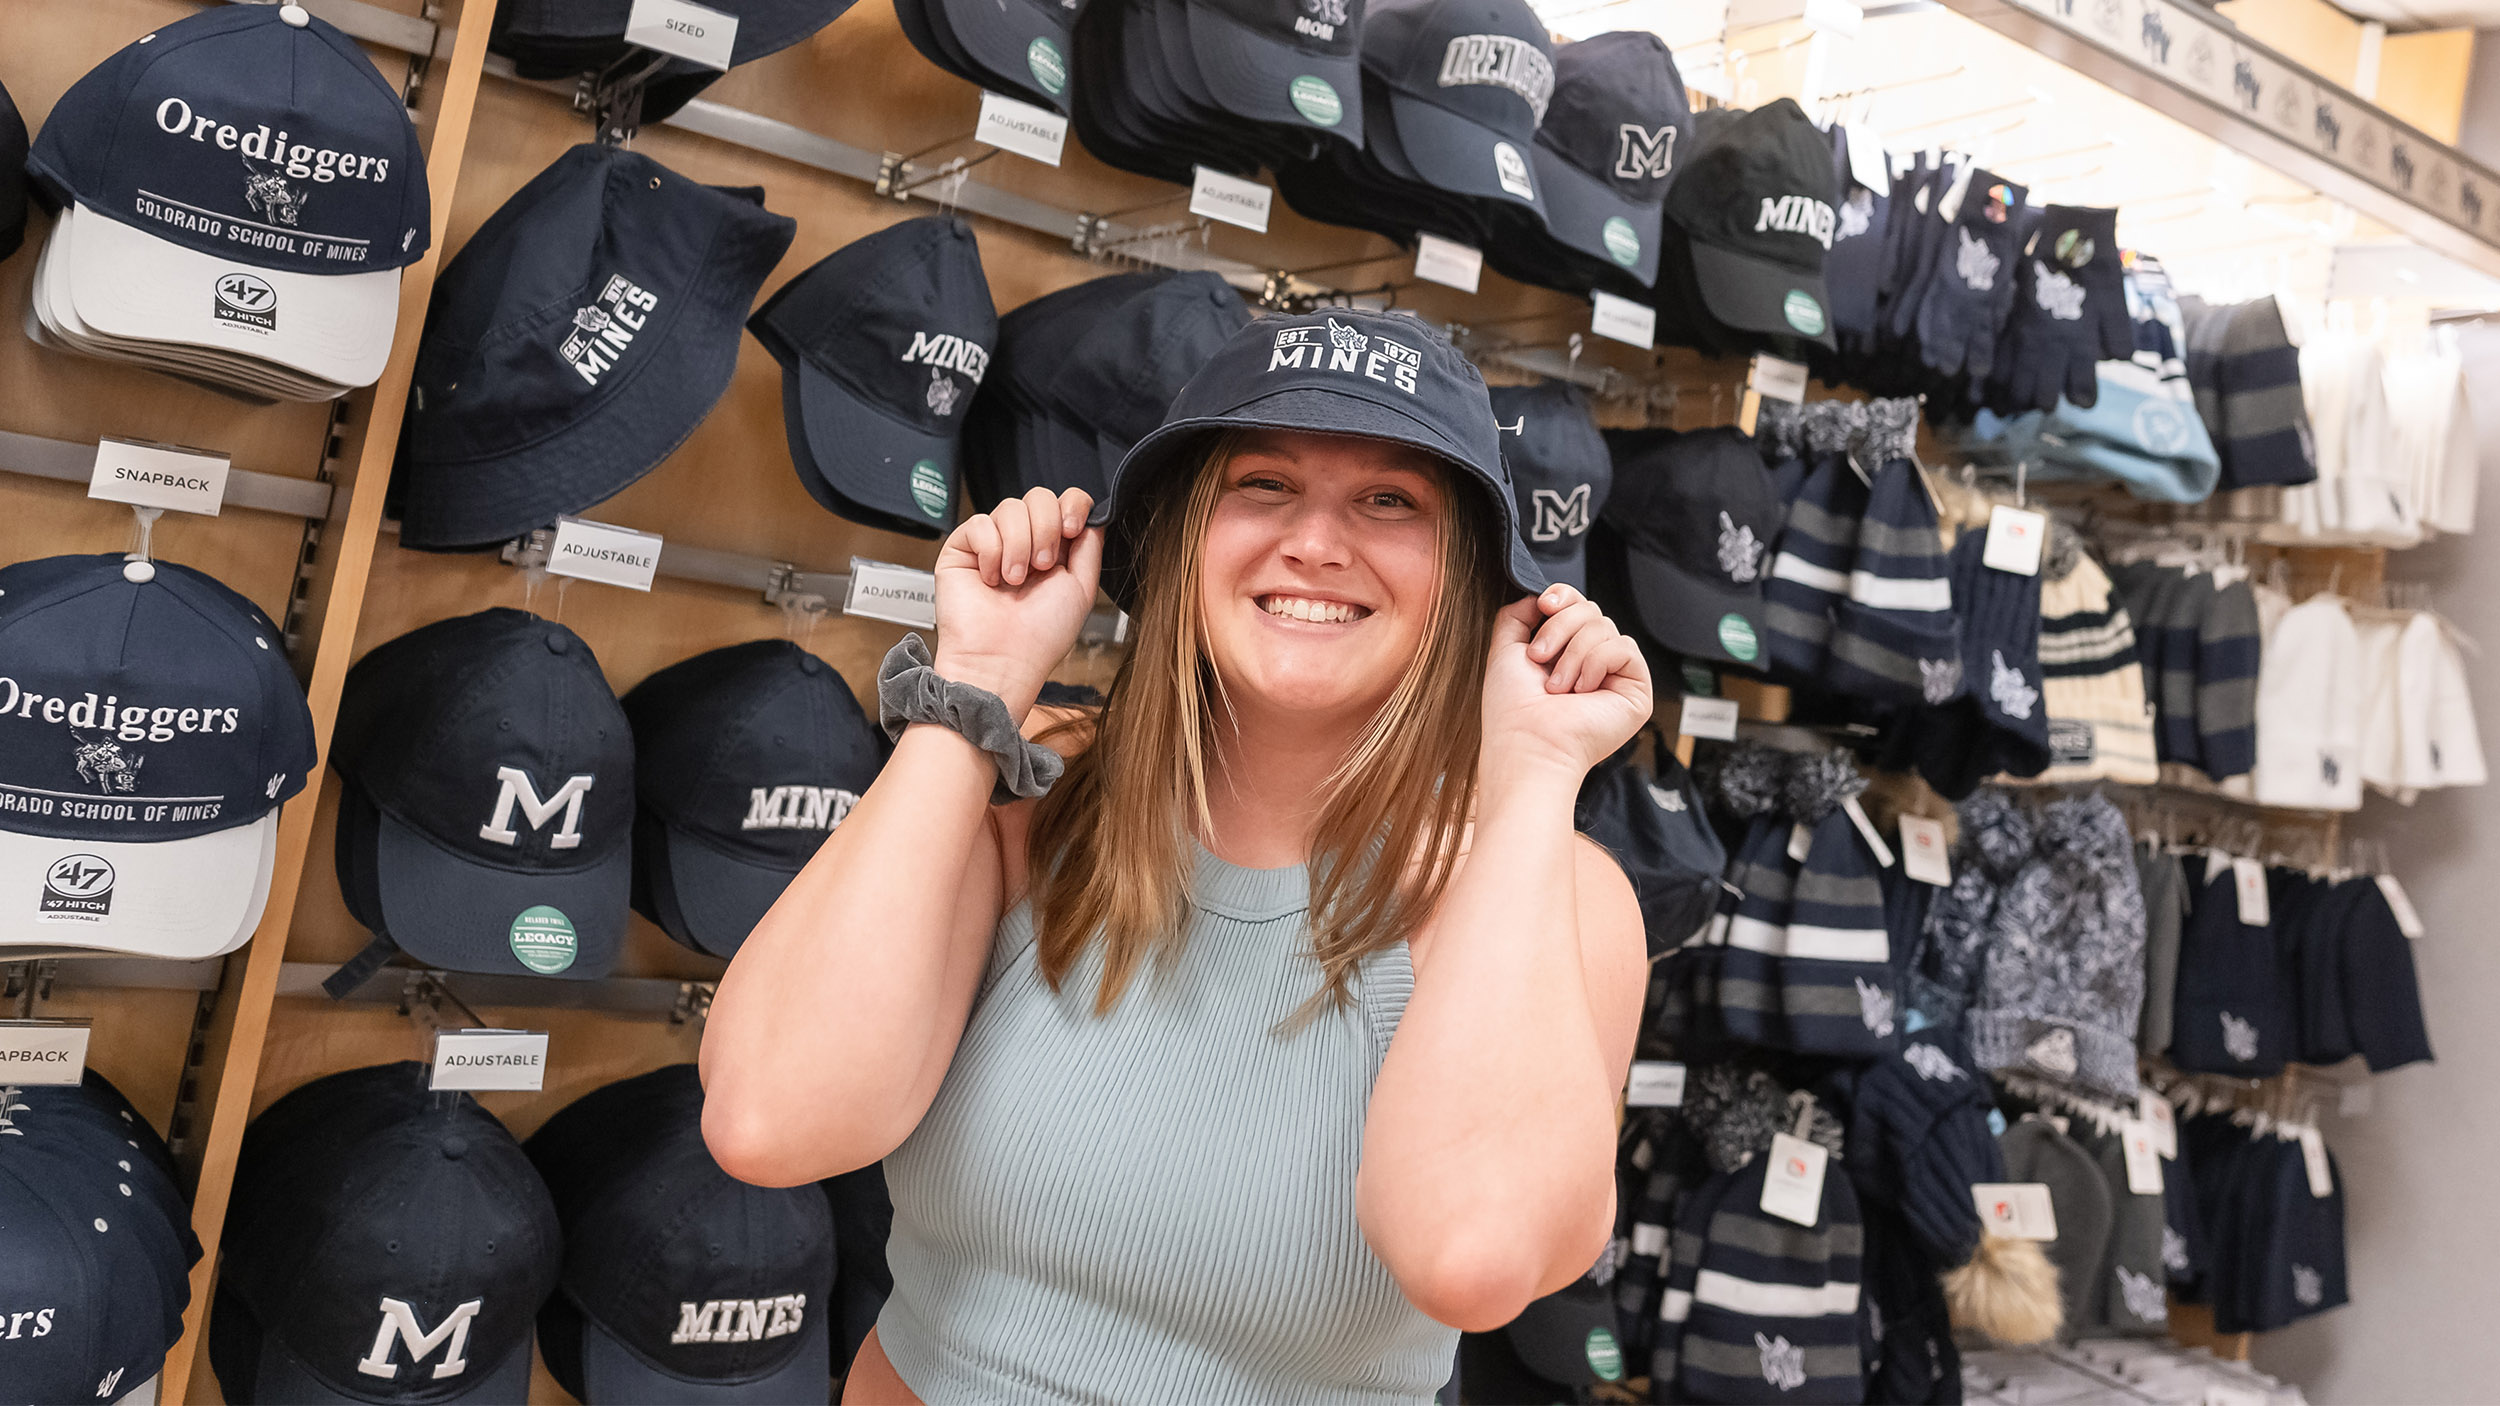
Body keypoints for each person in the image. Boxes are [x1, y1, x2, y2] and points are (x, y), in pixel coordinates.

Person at [701, 308, 1652, 1404]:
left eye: (1390, 500)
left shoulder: (1551, 892)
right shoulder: (1036, 795)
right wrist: (976, 684)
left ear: (1474, 582)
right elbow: (767, 1117)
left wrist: (1531, 773)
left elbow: (1472, 1255)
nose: (1316, 541)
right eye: (1263, 483)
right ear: (1184, 533)